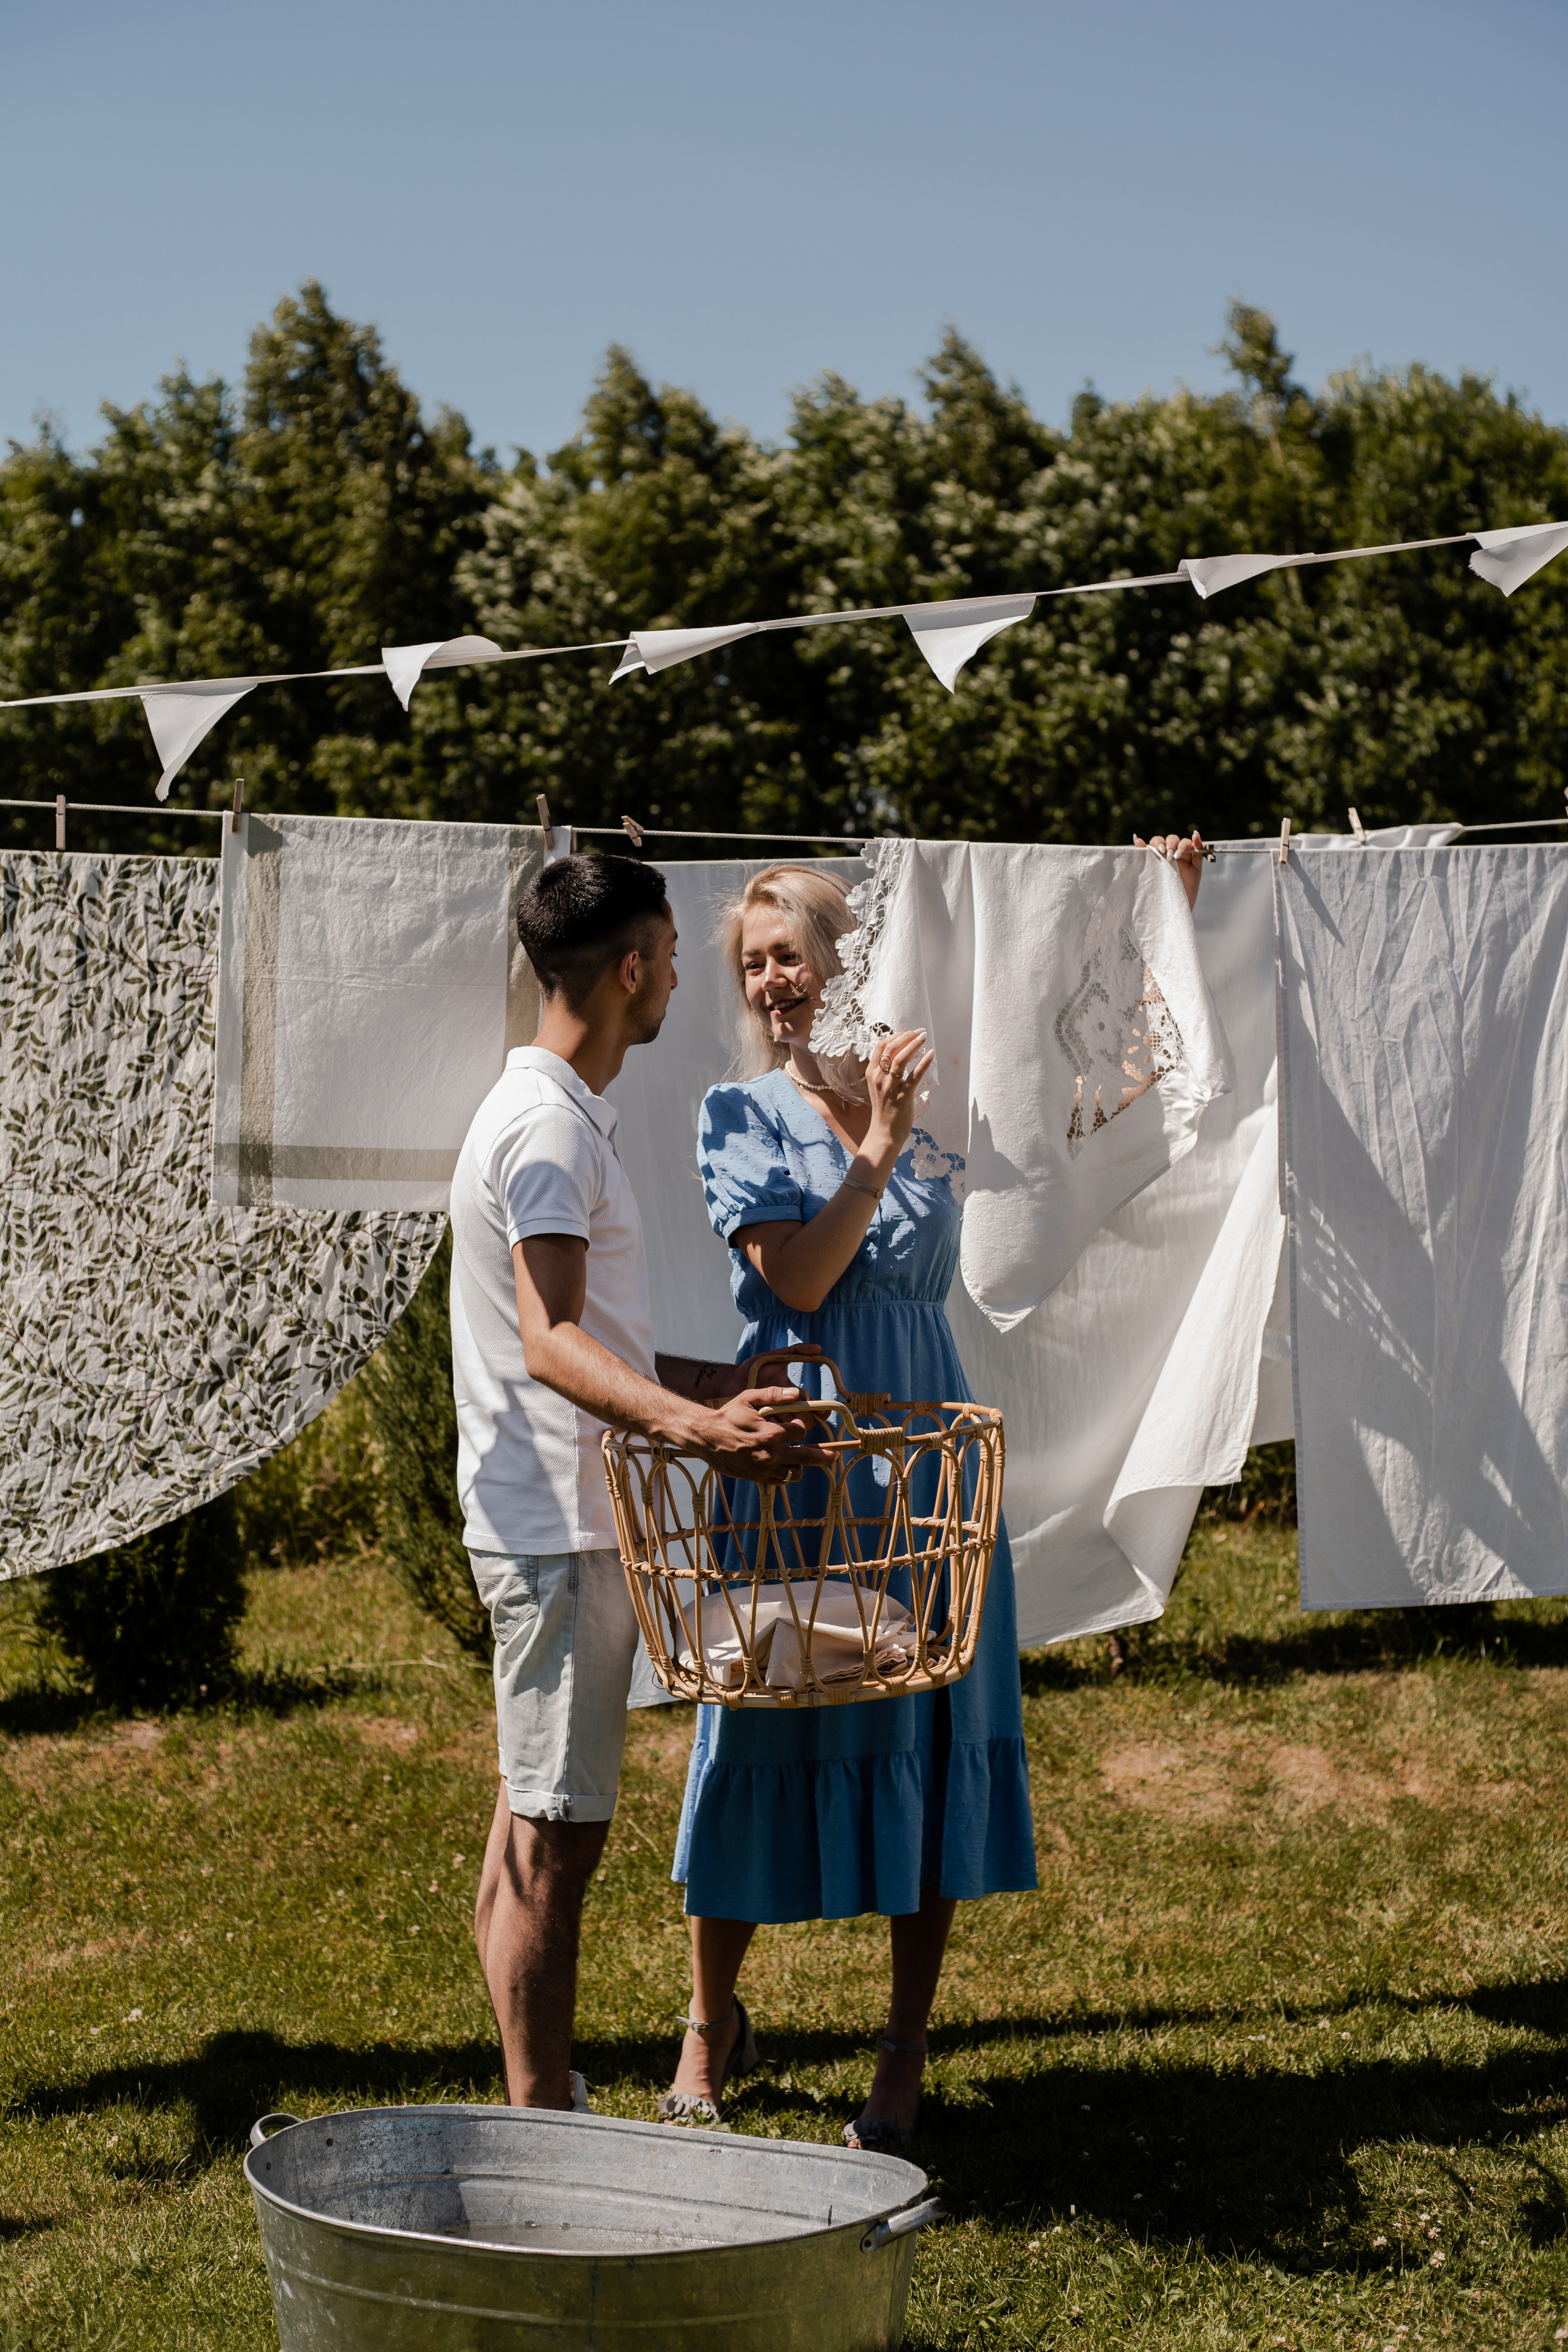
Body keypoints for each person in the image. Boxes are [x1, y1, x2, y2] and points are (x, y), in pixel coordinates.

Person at [662, 832, 1207, 2149]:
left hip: (923, 1468)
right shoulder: (736, 1115)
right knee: (757, 1721)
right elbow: (794, 1283)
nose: (769, 984)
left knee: (929, 1732)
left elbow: (1093, 1093)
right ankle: (705, 2029)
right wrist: (875, 1152)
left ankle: (902, 2050)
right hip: (795, 1454)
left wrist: (1158, 914)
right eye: (750, 966)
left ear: (843, 965)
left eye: (788, 956)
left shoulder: (927, 1092)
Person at [451, 851, 820, 2114]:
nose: (675, 976)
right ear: (627, 970)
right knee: (556, 1848)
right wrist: (703, 1434)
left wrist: (719, 1383)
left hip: (552, 1518)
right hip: (558, 1531)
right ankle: (544, 2122)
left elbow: (575, 1330)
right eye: (665, 955)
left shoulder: (547, 1112)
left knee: (526, 1838)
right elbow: (550, 1342)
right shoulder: (550, 1128)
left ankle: (533, 2105)